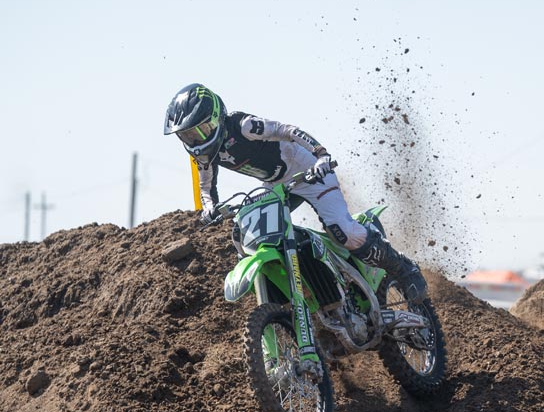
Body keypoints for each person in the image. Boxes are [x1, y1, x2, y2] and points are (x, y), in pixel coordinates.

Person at [163, 83, 427, 302]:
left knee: (342, 231)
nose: (196, 140)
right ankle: (301, 297)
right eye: (188, 136)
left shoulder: (243, 126)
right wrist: (209, 208)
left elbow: (287, 130)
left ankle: (403, 269)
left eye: (201, 130)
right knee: (249, 239)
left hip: (307, 170)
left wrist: (321, 155)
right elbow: (206, 187)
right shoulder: (205, 156)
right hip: (276, 187)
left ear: (216, 117)